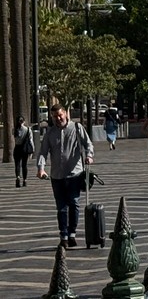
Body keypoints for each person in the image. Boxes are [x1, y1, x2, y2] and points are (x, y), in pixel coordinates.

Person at [36, 103, 94, 248]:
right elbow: (43, 152)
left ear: (66, 114)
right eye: (55, 116)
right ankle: (64, 235)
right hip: (57, 176)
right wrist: (41, 168)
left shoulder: (76, 128)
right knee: (61, 207)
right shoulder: (50, 133)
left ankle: (72, 233)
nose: (58, 118)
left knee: (74, 203)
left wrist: (89, 156)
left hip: (75, 173)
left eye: (60, 115)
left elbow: (88, 144)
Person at [13, 114, 34, 188]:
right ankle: (25, 180)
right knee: (24, 165)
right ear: (24, 121)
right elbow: (31, 141)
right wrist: (32, 150)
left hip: (17, 148)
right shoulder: (28, 129)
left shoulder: (15, 130)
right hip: (24, 149)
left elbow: (15, 138)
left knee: (17, 164)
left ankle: (18, 177)